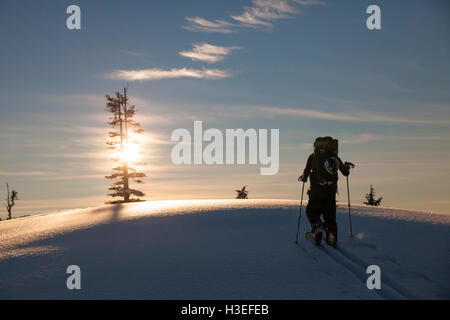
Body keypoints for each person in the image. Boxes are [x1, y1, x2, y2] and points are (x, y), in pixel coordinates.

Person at [298, 137, 352, 247]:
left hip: (316, 192)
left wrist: (303, 177)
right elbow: (345, 173)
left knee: (311, 212)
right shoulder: (335, 158)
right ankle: (332, 239)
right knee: (330, 218)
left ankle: (318, 227)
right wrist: (346, 167)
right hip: (330, 193)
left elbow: (306, 174)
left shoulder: (312, 157)